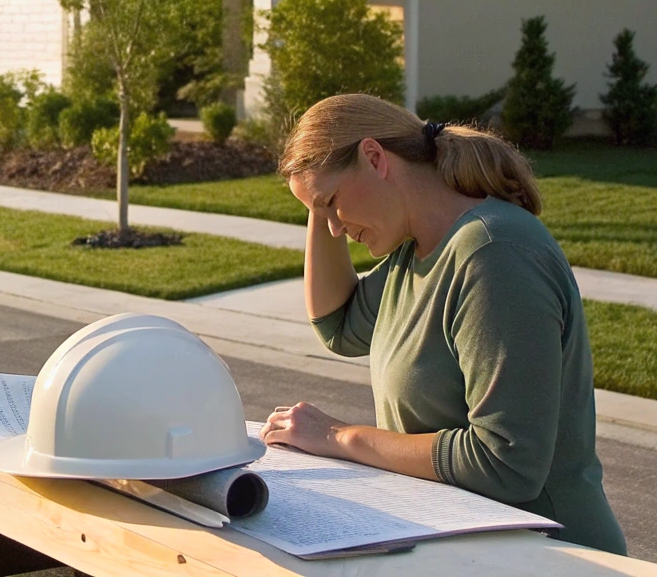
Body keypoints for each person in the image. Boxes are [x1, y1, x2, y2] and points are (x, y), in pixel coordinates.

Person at [259, 93, 625, 555]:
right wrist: (315, 196)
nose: (332, 227)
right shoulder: (414, 254)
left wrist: (337, 437)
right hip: (478, 551)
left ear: (375, 158)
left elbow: (506, 462)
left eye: (332, 202)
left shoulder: (494, 254)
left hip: (552, 555)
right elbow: (338, 323)